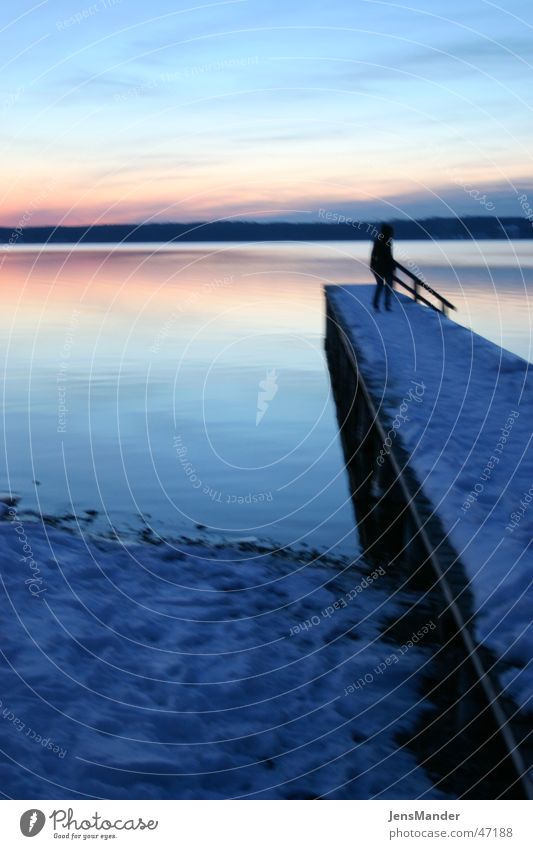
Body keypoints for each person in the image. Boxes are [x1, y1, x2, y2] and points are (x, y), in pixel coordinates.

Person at [370, 223, 395, 311]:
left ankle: (383, 304)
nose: (392, 234)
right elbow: (374, 255)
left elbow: (389, 255)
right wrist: (372, 265)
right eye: (391, 232)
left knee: (386, 286)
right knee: (382, 285)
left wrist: (372, 265)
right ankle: (378, 304)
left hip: (384, 267)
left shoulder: (387, 241)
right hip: (381, 267)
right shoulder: (379, 241)